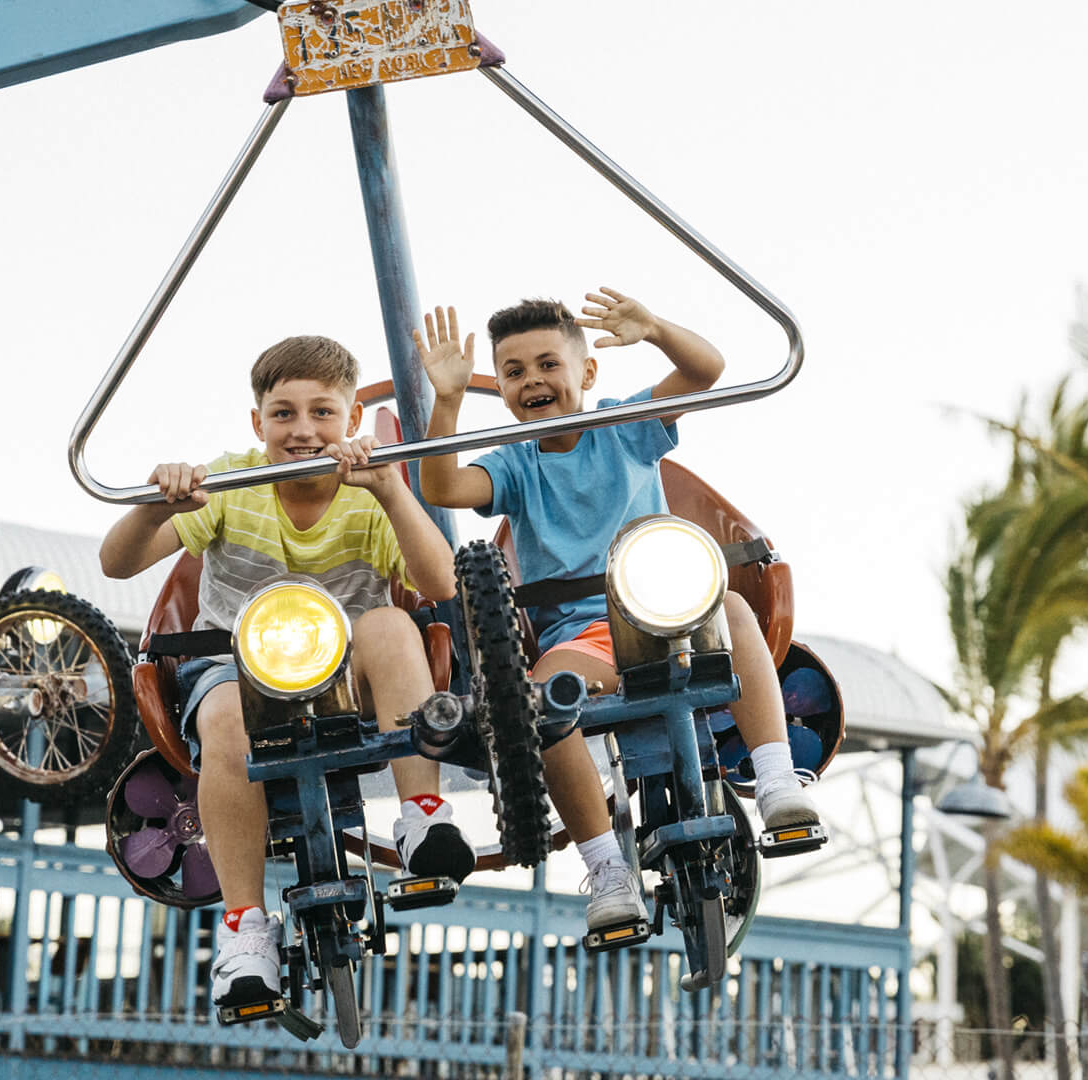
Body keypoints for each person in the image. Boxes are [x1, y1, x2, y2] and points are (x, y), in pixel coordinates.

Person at [413, 290, 823, 946]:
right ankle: (607, 870)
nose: (533, 382)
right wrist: (449, 401)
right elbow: (441, 489)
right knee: (540, 704)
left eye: (549, 364)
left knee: (735, 612)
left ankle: (776, 780)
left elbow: (705, 371)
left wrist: (657, 328)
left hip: (664, 610)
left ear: (587, 374)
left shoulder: (623, 427)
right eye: (514, 373)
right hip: (581, 632)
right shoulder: (516, 463)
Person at [99, 335, 473, 1015]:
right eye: (284, 414)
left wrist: (392, 492)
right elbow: (117, 564)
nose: (304, 431)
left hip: (344, 684)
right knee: (222, 717)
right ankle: (245, 928)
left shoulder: (368, 493)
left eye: (324, 413)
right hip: (235, 672)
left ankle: (420, 816)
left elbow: (439, 582)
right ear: (257, 424)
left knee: (391, 623)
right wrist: (159, 504)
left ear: (352, 418)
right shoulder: (233, 484)